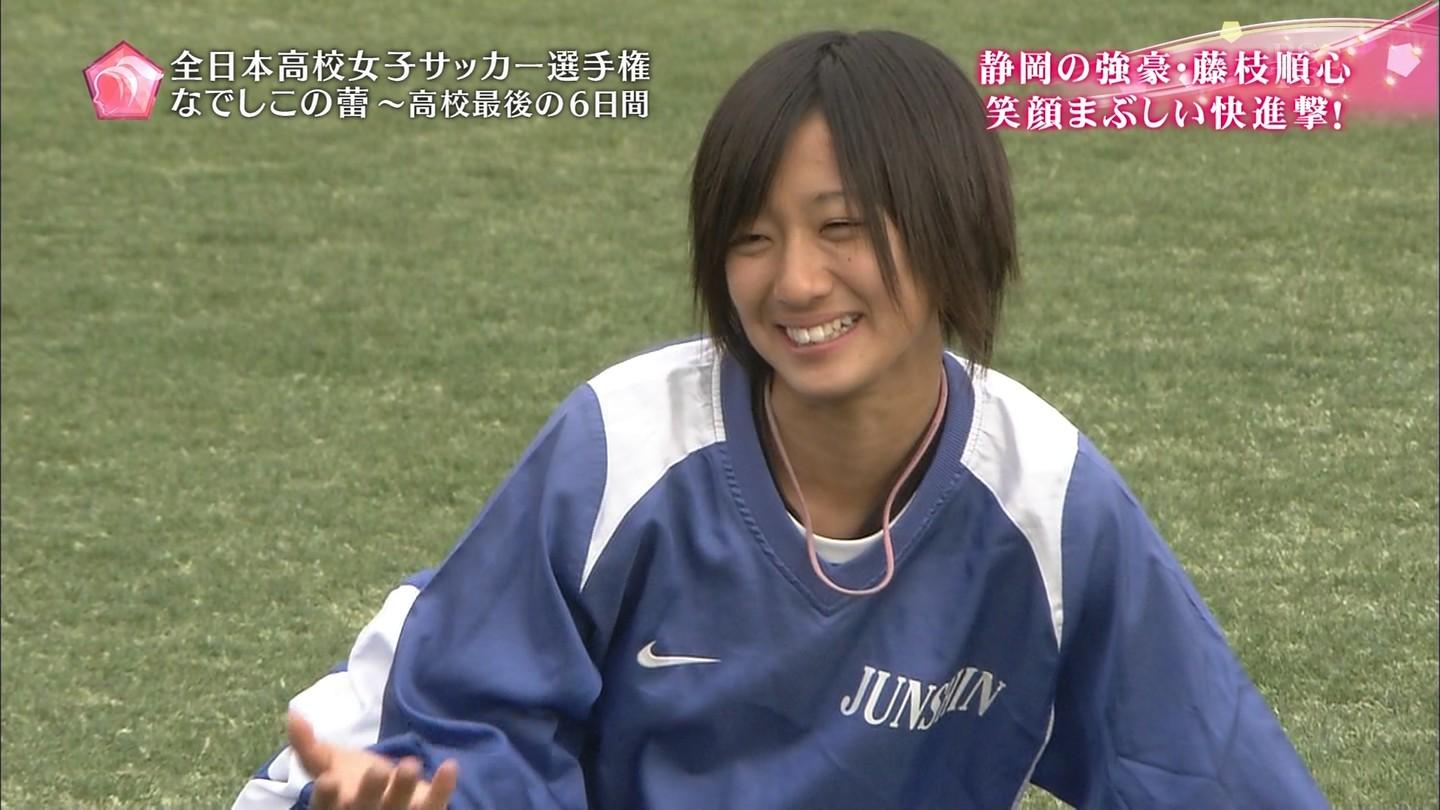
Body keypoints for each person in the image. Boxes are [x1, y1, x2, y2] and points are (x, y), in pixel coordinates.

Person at [234, 30, 1327, 810]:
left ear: (955, 225)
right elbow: (471, 733)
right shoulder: (624, 447)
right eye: (750, 239)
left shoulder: (1044, 500)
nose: (796, 282)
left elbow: (1203, 768)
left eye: (842, 228)